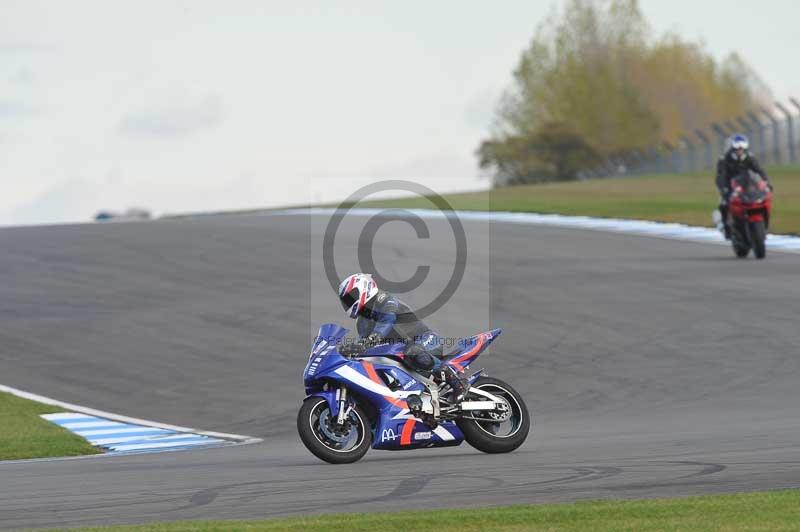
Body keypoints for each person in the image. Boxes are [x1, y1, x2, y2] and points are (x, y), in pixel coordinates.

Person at [336, 273, 470, 404]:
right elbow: (365, 346)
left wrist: (373, 338)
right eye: (346, 301)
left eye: (350, 298)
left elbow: (387, 319)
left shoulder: (384, 300)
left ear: (363, 289)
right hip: (400, 353)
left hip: (426, 340)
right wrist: (352, 351)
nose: (348, 303)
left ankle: (457, 383)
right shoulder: (362, 322)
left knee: (412, 352)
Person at [715, 134, 771, 239]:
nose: (739, 151)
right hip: (730, 186)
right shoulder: (724, 159)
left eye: (742, 149)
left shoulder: (750, 157)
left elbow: (758, 170)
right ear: (732, 148)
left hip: (747, 186)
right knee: (723, 204)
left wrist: (766, 182)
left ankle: (764, 227)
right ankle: (727, 228)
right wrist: (724, 189)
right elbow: (720, 176)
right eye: (737, 149)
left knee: (762, 200)